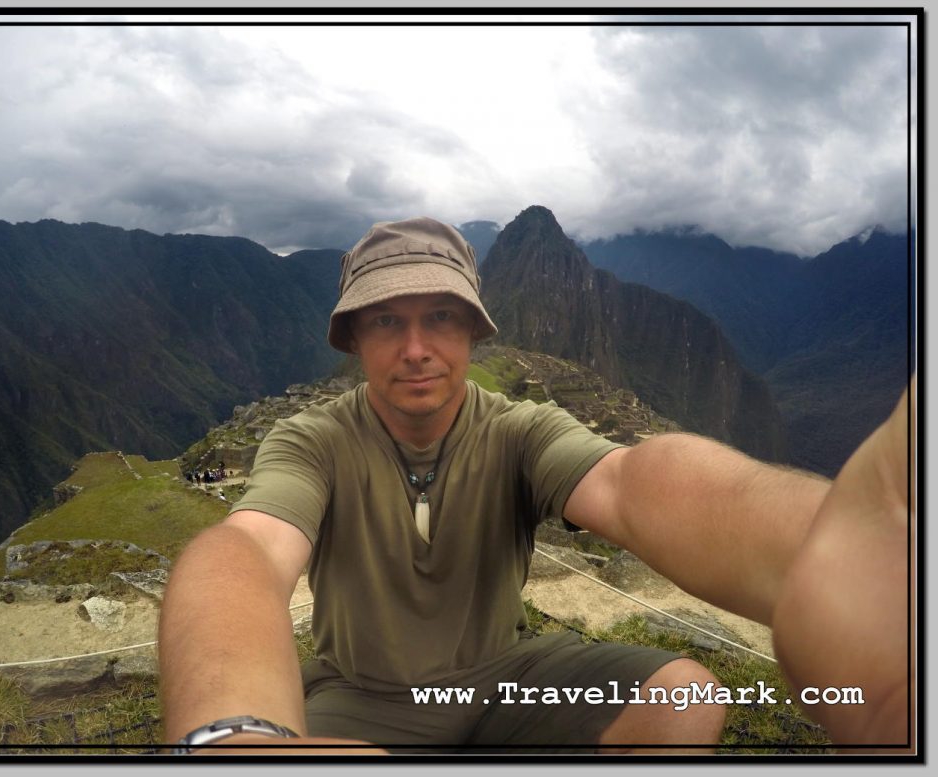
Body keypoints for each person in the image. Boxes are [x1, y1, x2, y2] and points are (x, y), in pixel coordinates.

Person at [158, 217, 914, 755]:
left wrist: (834, 553)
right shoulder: (311, 441)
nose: (417, 348)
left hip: (504, 674)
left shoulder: (520, 430)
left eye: (440, 318)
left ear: (475, 331)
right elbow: (248, 551)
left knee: (686, 700)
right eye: (386, 321)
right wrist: (235, 731)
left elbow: (628, 482)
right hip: (366, 690)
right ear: (352, 337)